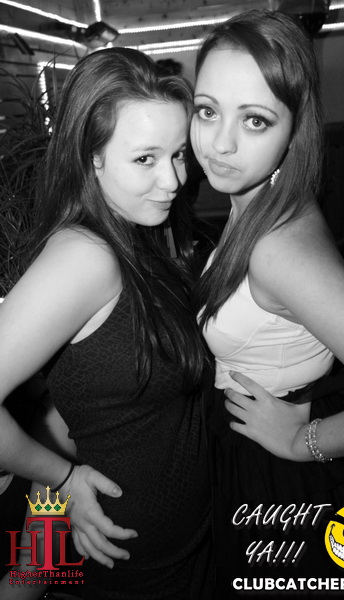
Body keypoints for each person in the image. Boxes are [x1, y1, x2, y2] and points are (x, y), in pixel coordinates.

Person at [190, 9, 344, 597]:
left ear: (294, 127)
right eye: (207, 111)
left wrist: (300, 442)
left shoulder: (277, 249)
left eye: (255, 119)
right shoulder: (265, 202)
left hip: (278, 477)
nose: (220, 143)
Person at [0, 47, 213, 599]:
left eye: (179, 154)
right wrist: (61, 479)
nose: (172, 180)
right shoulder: (85, 256)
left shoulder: (143, 230)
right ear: (91, 157)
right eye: (145, 159)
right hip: (133, 564)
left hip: (185, 546)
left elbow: (81, 403)